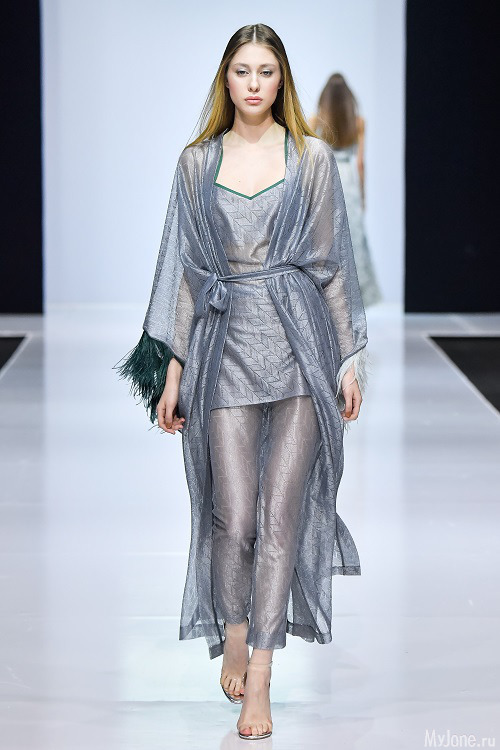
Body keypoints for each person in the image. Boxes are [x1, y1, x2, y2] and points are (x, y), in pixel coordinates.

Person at [114, 23, 369, 741]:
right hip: (223, 348)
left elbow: (333, 266)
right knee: (233, 514)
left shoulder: (310, 158)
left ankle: (260, 670)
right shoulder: (196, 163)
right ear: (224, 81)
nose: (254, 84)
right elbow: (184, 272)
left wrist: (348, 359)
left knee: (281, 516)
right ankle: (233, 626)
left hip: (300, 348)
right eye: (242, 71)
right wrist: (172, 368)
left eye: (266, 71)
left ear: (281, 80)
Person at [309, 73, 383, 307]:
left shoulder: (316, 121)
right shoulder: (358, 122)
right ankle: (354, 299)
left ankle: (328, 297)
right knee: (353, 239)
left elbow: (310, 160)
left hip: (327, 177)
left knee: (327, 239)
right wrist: (363, 196)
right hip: (348, 179)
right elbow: (360, 163)